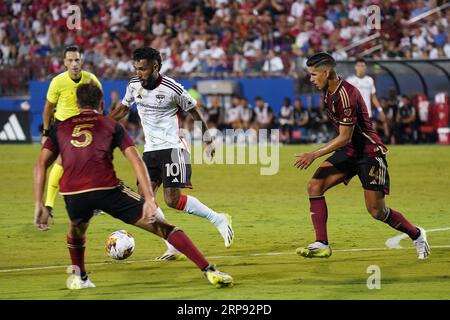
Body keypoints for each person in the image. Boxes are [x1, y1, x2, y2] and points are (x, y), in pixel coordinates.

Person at [33, 83, 233, 289]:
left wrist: (40, 204)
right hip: (108, 190)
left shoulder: (61, 127)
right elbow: (135, 160)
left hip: (73, 194)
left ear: (76, 103)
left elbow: (41, 163)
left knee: (77, 230)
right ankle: (208, 269)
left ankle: (79, 277)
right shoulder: (111, 126)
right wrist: (147, 198)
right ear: (101, 104)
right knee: (164, 227)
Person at [294, 52, 430, 260]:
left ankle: (417, 234)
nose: (311, 79)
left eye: (313, 75)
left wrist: (314, 154)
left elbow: (344, 137)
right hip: (350, 152)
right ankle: (321, 243)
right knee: (314, 185)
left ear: (326, 72)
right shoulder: (328, 91)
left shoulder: (346, 96)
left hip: (368, 153)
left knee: (377, 211)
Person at [115, 47, 234, 261]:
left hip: (172, 148)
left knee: (172, 200)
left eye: (142, 69)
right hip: (150, 150)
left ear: (155, 67)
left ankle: (218, 219)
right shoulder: (134, 86)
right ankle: (172, 244)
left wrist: (207, 138)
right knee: (144, 201)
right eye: (136, 69)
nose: (138, 73)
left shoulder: (173, 88)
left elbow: (194, 111)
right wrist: (103, 122)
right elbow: (124, 109)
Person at [41, 45, 103, 217]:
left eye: (77, 59)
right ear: (64, 62)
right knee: (61, 162)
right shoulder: (57, 82)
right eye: (70, 60)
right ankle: (48, 205)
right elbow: (48, 108)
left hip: (86, 127)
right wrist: (46, 133)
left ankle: (93, 203)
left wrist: (99, 126)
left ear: (82, 61)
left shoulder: (91, 79)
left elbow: (100, 104)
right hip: (63, 127)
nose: (74, 63)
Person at [346, 58, 387, 132]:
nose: (360, 68)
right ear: (355, 67)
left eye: (362, 66)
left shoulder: (370, 80)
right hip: (354, 112)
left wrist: (380, 110)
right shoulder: (350, 80)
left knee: (369, 133)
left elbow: (373, 97)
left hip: (367, 112)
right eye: (359, 66)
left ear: (365, 67)